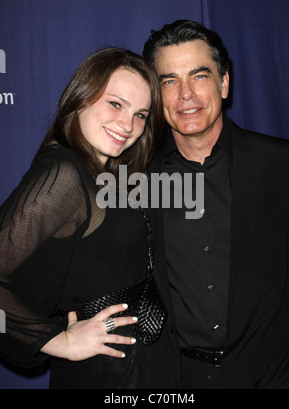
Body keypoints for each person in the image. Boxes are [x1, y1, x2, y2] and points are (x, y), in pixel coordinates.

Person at [0, 47, 179, 389]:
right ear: (80, 99)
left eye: (141, 114)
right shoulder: (65, 173)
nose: (128, 125)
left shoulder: (111, 173)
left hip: (148, 366)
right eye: (115, 103)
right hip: (106, 374)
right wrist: (57, 341)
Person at [143, 20, 289, 389]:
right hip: (177, 380)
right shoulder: (138, 180)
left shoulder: (284, 165)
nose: (185, 94)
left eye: (199, 76)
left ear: (224, 83)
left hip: (276, 376)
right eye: (169, 81)